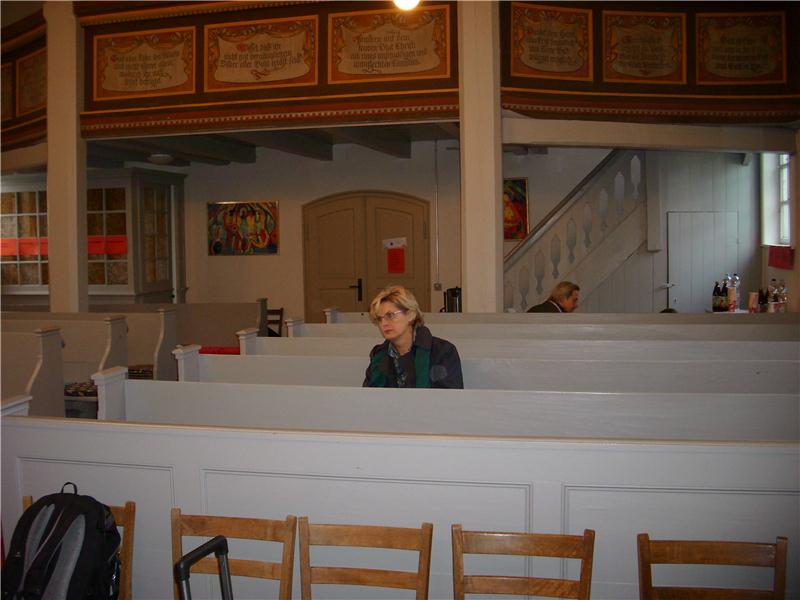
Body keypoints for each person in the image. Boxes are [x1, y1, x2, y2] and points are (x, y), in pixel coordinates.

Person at [363, 285, 463, 388]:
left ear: (411, 315)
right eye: (380, 319)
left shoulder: (442, 352)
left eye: (390, 315)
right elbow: (367, 395)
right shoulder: (378, 355)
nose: (384, 323)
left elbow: (449, 396)